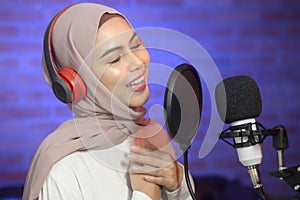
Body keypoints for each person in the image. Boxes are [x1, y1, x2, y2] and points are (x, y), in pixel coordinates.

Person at [23, 3, 194, 200]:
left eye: (136, 45)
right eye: (114, 59)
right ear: (77, 82)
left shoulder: (153, 137)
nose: (138, 63)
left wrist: (180, 186)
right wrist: (144, 196)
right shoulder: (64, 173)